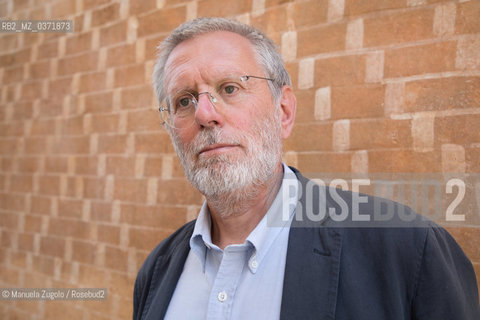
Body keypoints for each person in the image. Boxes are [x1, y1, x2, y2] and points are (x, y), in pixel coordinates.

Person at [133, 17, 479, 320]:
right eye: (184, 101)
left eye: (230, 88)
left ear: (283, 111)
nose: (204, 114)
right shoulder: (158, 270)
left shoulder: (407, 250)